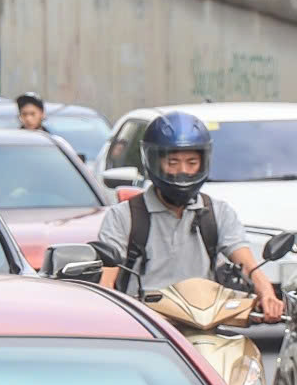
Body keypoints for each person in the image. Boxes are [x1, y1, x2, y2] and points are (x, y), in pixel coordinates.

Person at [94, 112, 286, 320]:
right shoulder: (123, 216)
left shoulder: (217, 213)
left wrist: (267, 294)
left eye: (192, 162)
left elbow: (247, 262)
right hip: (145, 329)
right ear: (154, 162)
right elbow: (106, 283)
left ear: (204, 162)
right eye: (173, 162)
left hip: (204, 326)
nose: (183, 171)